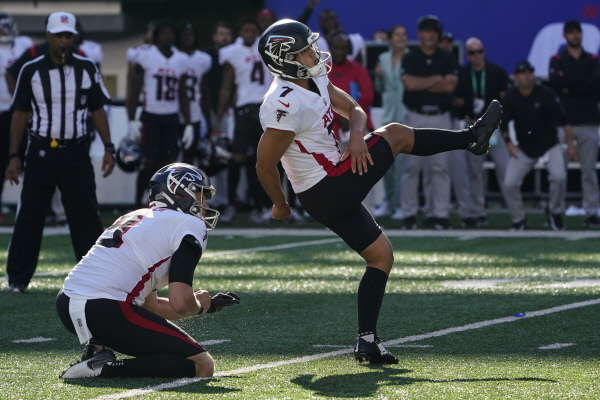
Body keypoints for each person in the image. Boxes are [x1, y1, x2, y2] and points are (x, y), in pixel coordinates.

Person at [256, 19, 501, 364]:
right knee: (397, 134)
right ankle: (471, 138)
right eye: (305, 49)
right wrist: (280, 204)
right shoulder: (283, 101)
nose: (314, 52)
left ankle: (367, 341)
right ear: (285, 59)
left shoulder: (312, 77)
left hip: (335, 179)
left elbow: (354, 109)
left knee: (381, 256)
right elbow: (265, 165)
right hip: (325, 188)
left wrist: (356, 135)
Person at [56, 163, 240, 379]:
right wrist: (198, 307)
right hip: (105, 308)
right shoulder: (188, 224)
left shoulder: (138, 216)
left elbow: (150, 306)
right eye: (200, 195)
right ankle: (100, 369)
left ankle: (96, 352)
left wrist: (202, 307)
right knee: (202, 365)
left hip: (68, 303)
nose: (205, 203)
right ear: (180, 193)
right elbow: (181, 303)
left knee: (184, 356)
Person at [5, 12, 115, 294]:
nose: (64, 41)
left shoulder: (87, 67)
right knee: (30, 213)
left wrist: (108, 147)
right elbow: (19, 114)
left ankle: (95, 277)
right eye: (59, 35)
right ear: (49, 36)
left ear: (74, 36)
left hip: (76, 151)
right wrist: (14, 155)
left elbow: (98, 109)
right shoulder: (31, 69)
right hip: (41, 150)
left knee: (86, 216)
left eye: (68, 35)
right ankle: (18, 279)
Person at [501, 60, 576, 231]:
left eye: (530, 72)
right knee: (509, 183)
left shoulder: (545, 93)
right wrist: (508, 143)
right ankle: (518, 219)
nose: (527, 76)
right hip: (525, 147)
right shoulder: (511, 96)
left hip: (549, 144)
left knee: (559, 177)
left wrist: (570, 144)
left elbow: (564, 119)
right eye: (523, 73)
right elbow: (503, 122)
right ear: (516, 77)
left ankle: (555, 213)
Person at [211, 19, 273, 224]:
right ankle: (230, 204)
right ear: (240, 32)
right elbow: (227, 87)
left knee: (262, 160)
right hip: (243, 110)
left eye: (252, 30)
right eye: (245, 30)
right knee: (236, 158)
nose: (249, 33)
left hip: (265, 108)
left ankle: (261, 205)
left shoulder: (266, 45)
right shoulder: (232, 52)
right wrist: (219, 120)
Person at [400, 15, 457, 230]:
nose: (431, 35)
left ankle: (439, 215)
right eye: (427, 31)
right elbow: (409, 84)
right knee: (412, 168)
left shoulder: (447, 57)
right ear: (419, 34)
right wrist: (436, 79)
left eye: (434, 31)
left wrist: (423, 82)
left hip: (440, 117)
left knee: (439, 168)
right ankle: (409, 215)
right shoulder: (411, 57)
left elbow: (450, 87)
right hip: (414, 116)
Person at [126, 22, 190, 209]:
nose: (167, 36)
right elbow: (134, 90)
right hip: (151, 116)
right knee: (149, 163)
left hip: (171, 117)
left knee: (170, 165)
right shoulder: (146, 56)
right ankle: (139, 204)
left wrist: (188, 124)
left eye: (171, 32)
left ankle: (165, 204)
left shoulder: (182, 59)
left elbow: (183, 94)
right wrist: (131, 119)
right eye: (163, 32)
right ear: (156, 36)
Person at [455, 37, 511, 227]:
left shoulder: (496, 72)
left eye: (479, 51)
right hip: (473, 126)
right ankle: (478, 212)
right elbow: (455, 100)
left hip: (494, 126)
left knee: (505, 170)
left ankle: (516, 212)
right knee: (475, 173)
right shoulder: (462, 73)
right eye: (472, 53)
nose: (476, 56)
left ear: (484, 52)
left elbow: (506, 99)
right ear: (466, 55)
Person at [549, 19, 600, 229]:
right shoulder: (557, 59)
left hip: (589, 122)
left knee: (589, 171)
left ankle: (591, 212)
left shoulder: (593, 59)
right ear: (565, 36)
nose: (575, 35)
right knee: (559, 172)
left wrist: (570, 85)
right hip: (564, 123)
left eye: (578, 32)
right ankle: (556, 212)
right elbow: (556, 84)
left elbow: (595, 84)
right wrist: (581, 84)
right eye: (571, 32)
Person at [372, 25, 408, 220]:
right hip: (388, 116)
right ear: (390, 39)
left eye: (404, 35)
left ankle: (402, 204)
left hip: (406, 115)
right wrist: (378, 76)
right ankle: (388, 201)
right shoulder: (384, 59)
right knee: (385, 160)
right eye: (398, 35)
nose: (402, 38)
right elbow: (380, 88)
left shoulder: (411, 57)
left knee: (402, 163)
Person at [0, 12, 32, 223]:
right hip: (2, 111)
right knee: (2, 160)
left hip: (25, 111)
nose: (5, 29)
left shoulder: (24, 43)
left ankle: (33, 206)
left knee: (32, 161)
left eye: (7, 25)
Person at [327, 31, 374, 142]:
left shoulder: (358, 70)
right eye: (337, 48)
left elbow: (367, 96)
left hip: (357, 126)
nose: (340, 52)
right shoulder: (322, 71)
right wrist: (340, 116)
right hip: (329, 130)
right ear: (330, 48)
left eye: (344, 48)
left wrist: (350, 115)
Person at [177, 22, 212, 165]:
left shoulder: (202, 59)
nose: (188, 38)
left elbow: (203, 92)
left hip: (195, 113)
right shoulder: (173, 57)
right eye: (185, 34)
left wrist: (209, 123)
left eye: (191, 34)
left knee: (190, 156)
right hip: (174, 113)